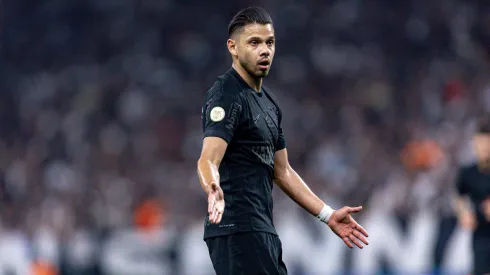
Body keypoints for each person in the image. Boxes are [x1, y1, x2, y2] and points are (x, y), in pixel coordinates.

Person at [197, 7, 369, 275]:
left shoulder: (269, 104)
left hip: (262, 228)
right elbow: (208, 158)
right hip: (237, 227)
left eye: (269, 42)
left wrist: (327, 214)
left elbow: (283, 171)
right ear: (233, 46)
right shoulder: (225, 95)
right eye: (254, 42)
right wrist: (212, 187)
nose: (264, 50)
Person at [455, 118, 490, 275]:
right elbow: (459, 195)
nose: (483, 149)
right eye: (480, 144)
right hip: (480, 236)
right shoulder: (468, 173)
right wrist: (463, 213)